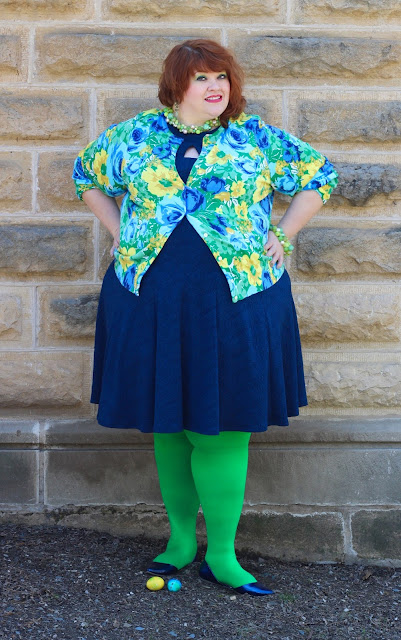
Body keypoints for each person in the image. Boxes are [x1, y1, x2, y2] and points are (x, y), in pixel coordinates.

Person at [72, 39, 338, 596]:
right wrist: (120, 231)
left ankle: (221, 555)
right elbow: (86, 176)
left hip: (238, 300)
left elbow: (320, 177)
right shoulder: (134, 136)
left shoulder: (255, 137)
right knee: (169, 424)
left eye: (222, 77)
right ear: (177, 85)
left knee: (223, 429)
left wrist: (284, 234)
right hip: (150, 298)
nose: (216, 87)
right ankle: (179, 542)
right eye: (202, 78)